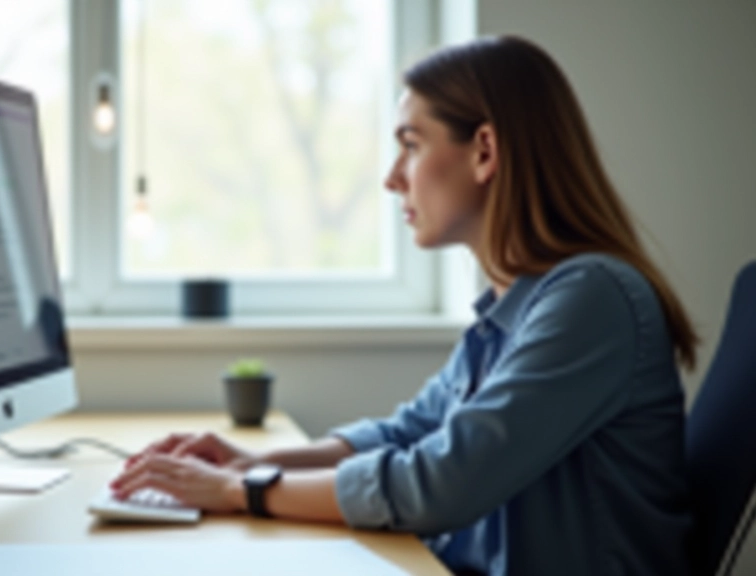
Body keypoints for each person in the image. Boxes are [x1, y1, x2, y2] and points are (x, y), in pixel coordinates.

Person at [110, 35, 696, 576]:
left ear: (484, 151)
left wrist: (245, 490)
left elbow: (441, 483)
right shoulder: (510, 311)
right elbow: (408, 432)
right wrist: (248, 464)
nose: (393, 178)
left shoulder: (590, 299)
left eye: (411, 146)